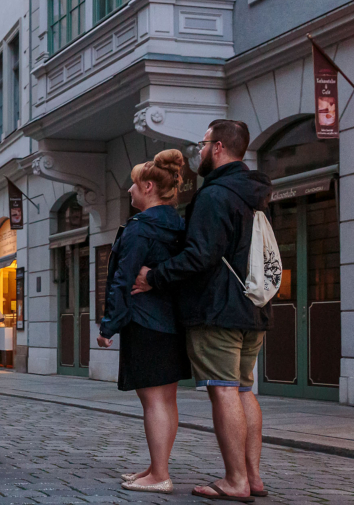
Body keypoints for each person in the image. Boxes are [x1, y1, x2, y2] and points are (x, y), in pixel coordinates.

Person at [135, 120, 272, 503]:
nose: (198, 151)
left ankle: (235, 480)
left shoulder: (214, 196)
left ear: (217, 148)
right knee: (245, 389)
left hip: (218, 308)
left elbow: (200, 255)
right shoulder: (253, 192)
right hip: (252, 306)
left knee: (223, 389)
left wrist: (155, 276)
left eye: (203, 143)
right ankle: (253, 477)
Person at [97, 150, 191, 494]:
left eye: (133, 186)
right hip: (171, 322)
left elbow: (122, 279)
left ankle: (160, 474)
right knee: (167, 400)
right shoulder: (178, 224)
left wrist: (109, 327)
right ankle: (156, 466)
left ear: (148, 187)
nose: (129, 192)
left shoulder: (141, 228)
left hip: (146, 321)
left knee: (153, 401)